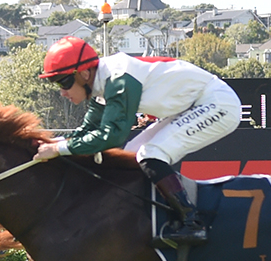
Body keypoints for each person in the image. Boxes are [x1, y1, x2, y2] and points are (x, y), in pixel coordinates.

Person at [32, 36, 242, 246]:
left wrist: (59, 149)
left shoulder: (119, 79)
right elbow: (87, 131)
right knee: (132, 154)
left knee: (151, 154)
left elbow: (112, 136)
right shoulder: (101, 84)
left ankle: (193, 223)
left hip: (216, 103)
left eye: (63, 82)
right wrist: (51, 143)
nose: (62, 92)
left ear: (85, 73)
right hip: (190, 106)